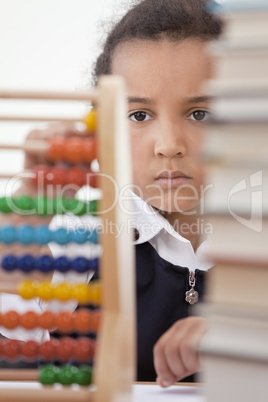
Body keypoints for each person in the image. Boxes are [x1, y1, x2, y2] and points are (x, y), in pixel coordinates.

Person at [0, 0, 223, 385]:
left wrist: (242, 337)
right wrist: (29, 210)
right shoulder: (80, 235)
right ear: (102, 128)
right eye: (139, 115)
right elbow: (13, 332)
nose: (169, 144)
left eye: (199, 113)